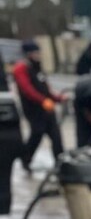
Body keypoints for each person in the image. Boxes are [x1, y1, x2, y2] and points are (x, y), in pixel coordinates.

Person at [10, 41, 64, 174]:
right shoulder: (21, 68)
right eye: (36, 53)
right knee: (37, 134)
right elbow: (27, 89)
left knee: (56, 136)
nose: (38, 55)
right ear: (28, 54)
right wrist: (42, 101)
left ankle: (61, 163)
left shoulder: (37, 67)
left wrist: (57, 98)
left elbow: (45, 88)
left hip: (47, 109)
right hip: (34, 110)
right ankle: (26, 158)